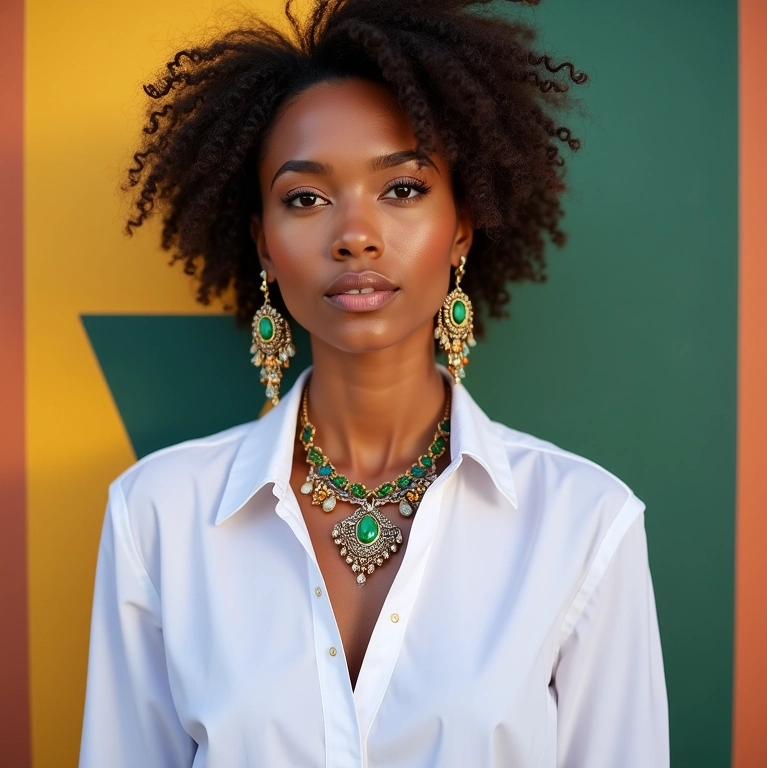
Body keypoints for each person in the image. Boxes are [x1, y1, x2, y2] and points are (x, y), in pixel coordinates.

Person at [79, 0, 669, 766]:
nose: (355, 235)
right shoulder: (157, 515)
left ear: (461, 227)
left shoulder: (584, 524)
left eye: (402, 189)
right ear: (264, 245)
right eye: (305, 198)